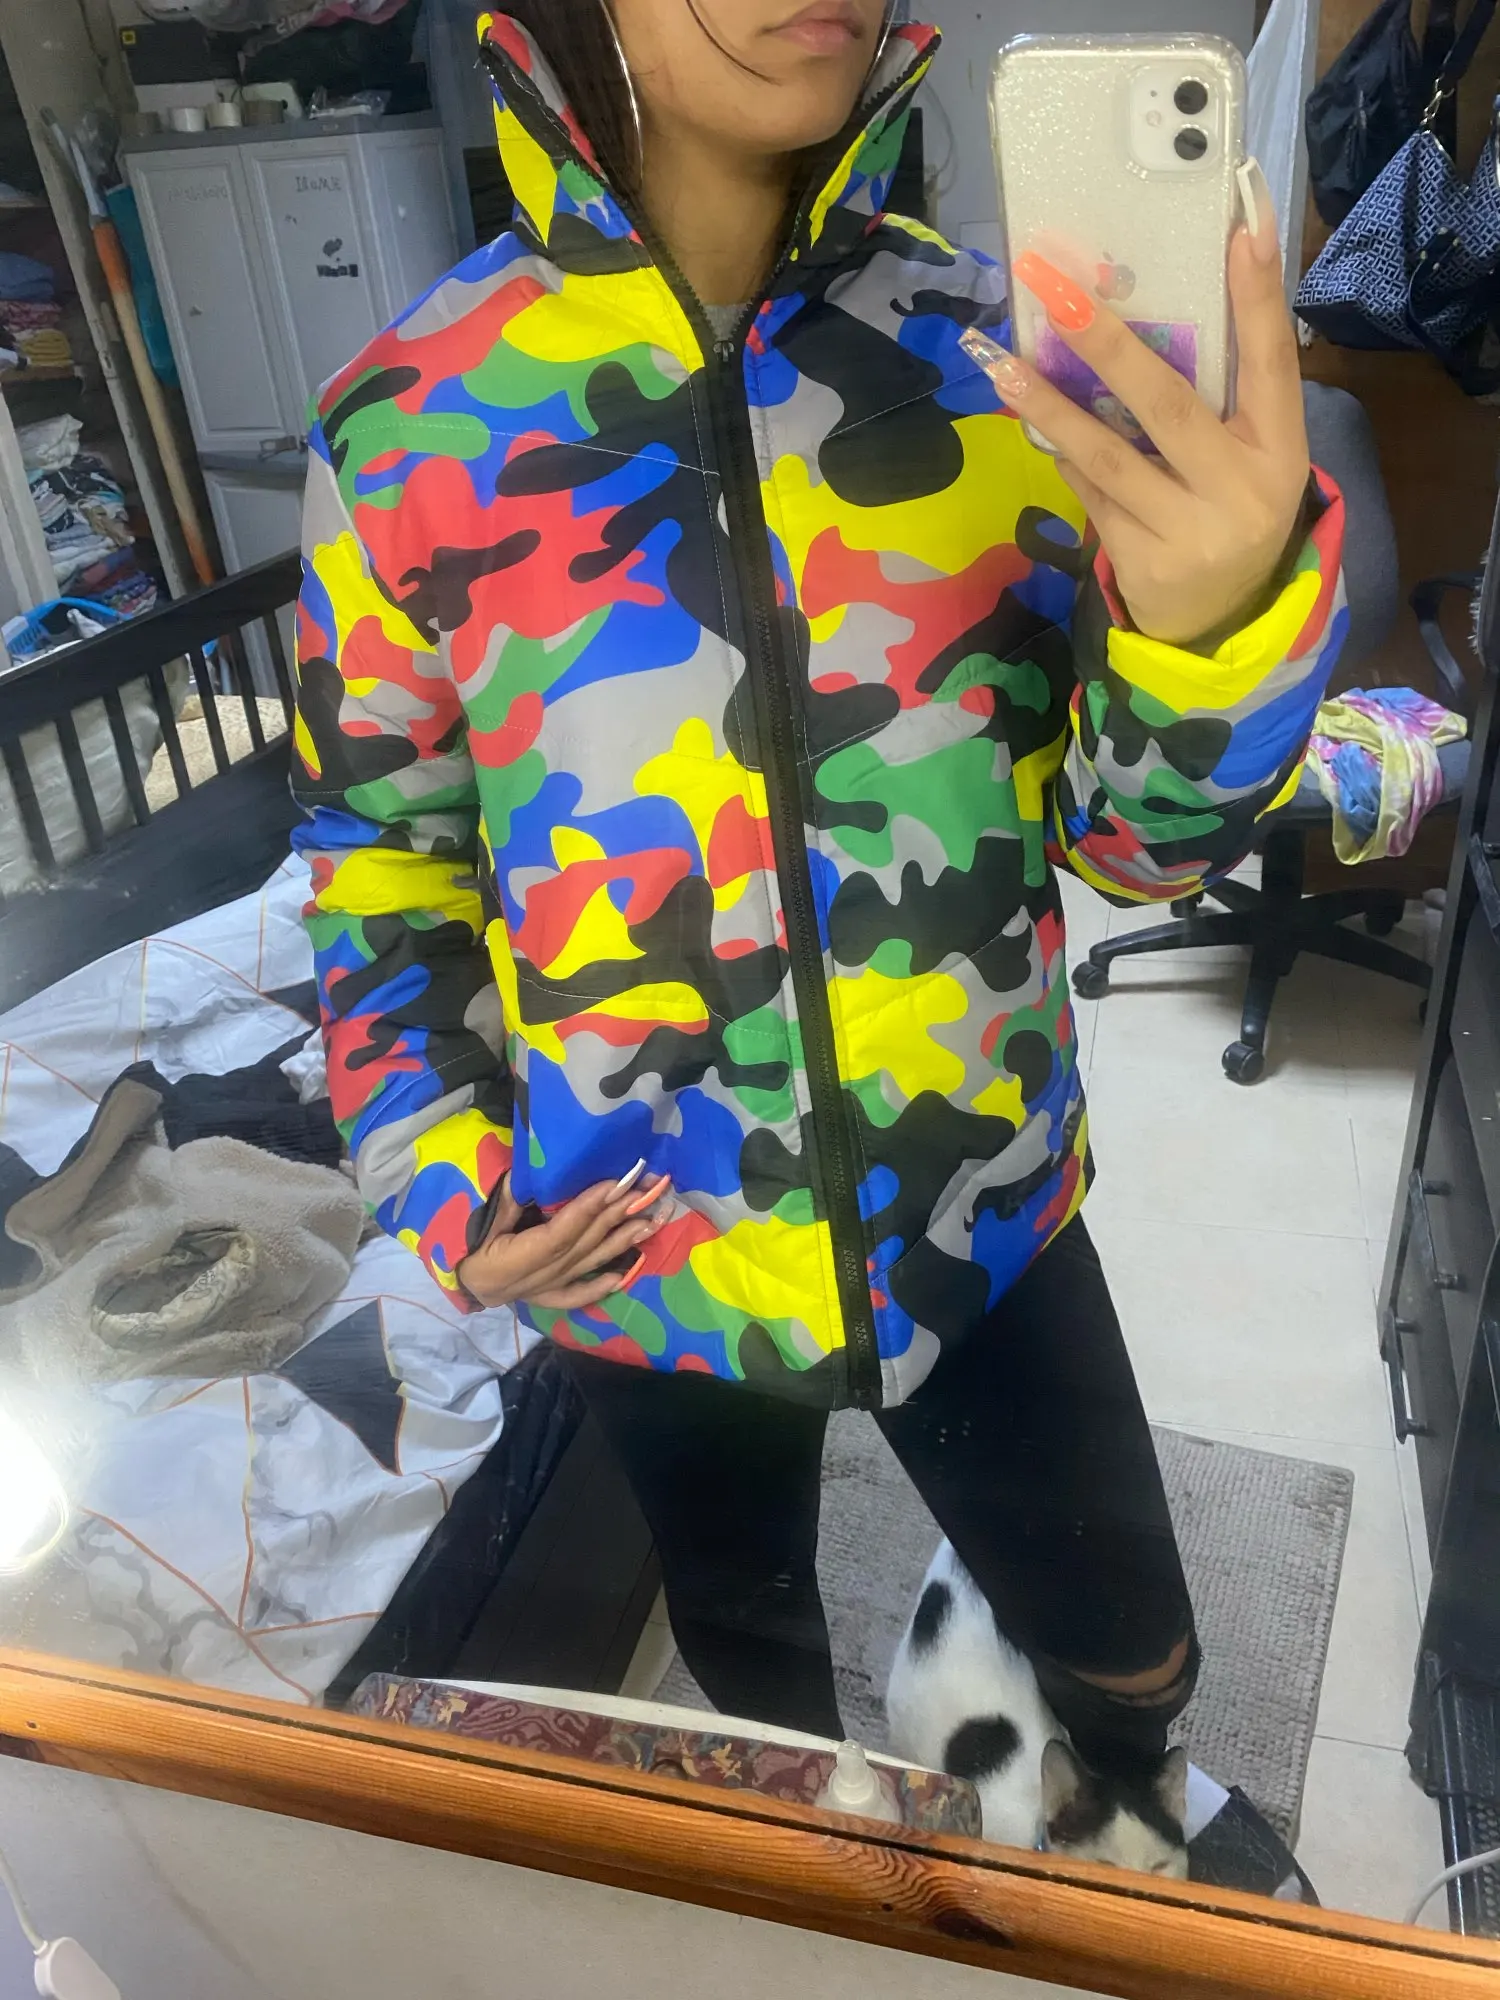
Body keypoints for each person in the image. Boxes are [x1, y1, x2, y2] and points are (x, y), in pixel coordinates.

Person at [291, 2, 1345, 1772]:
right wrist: (443, 1174)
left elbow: (1136, 848)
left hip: (981, 1202)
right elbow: (381, 854)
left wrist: (1218, 634)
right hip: (639, 1239)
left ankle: (1099, 1823)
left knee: (1140, 1666)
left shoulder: (1004, 368)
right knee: (755, 1656)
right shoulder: (405, 427)